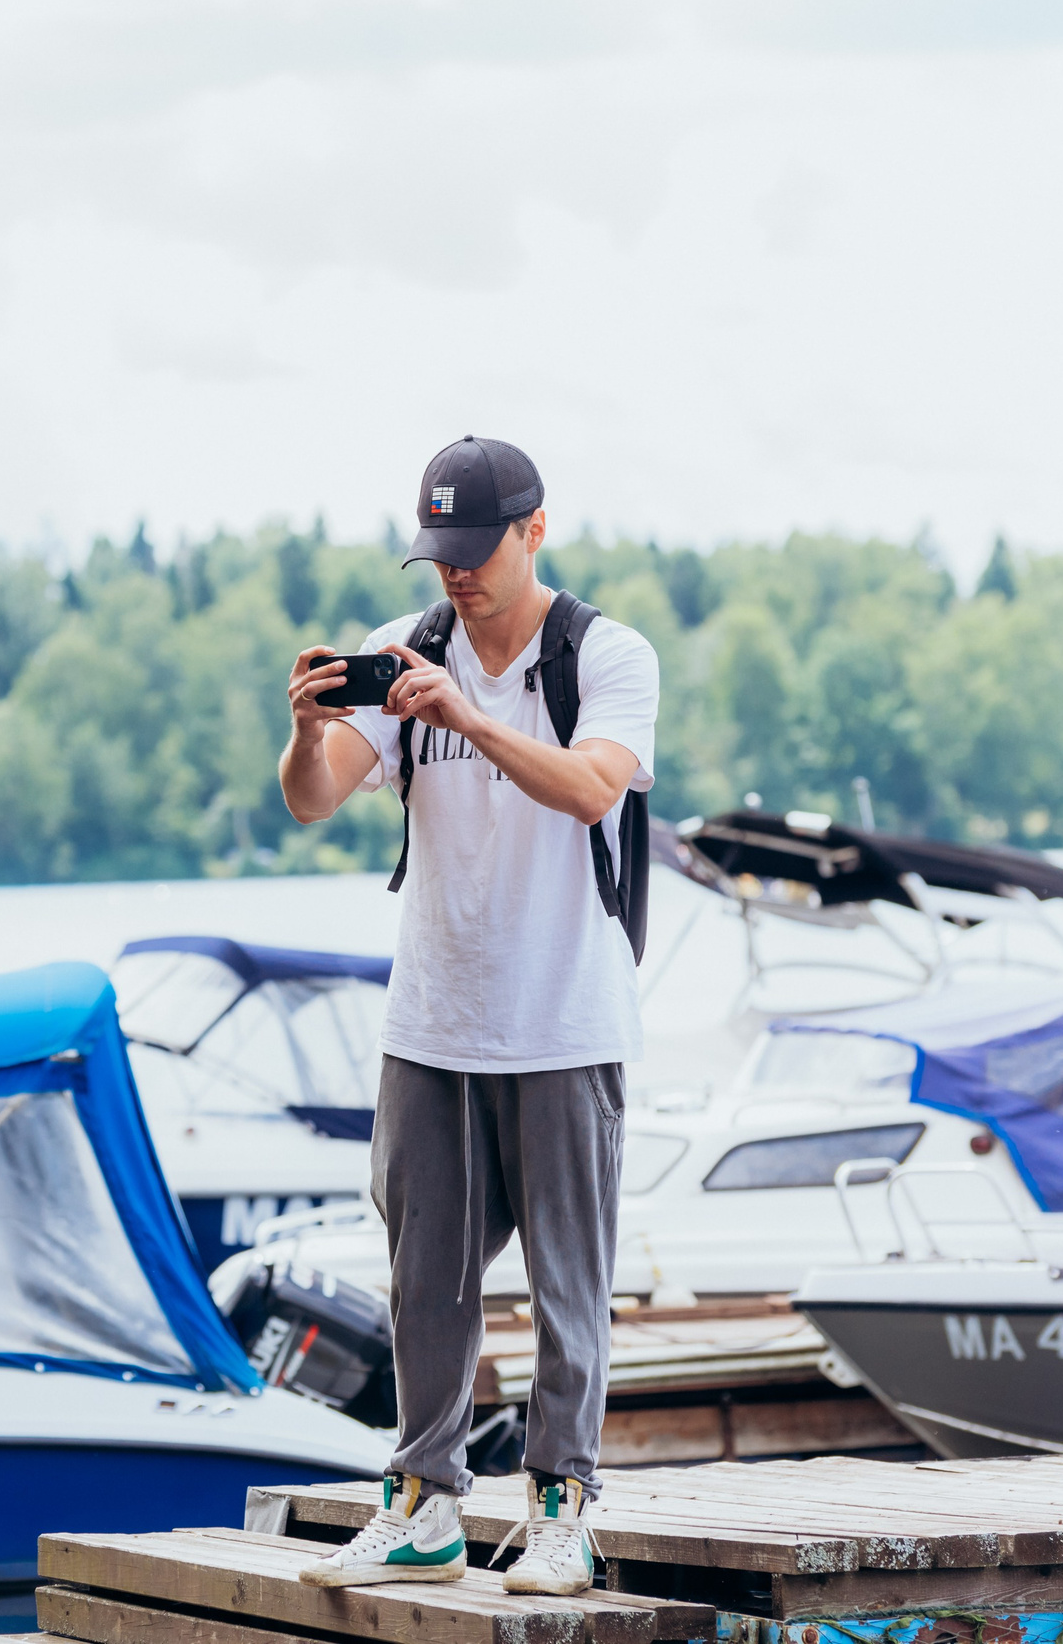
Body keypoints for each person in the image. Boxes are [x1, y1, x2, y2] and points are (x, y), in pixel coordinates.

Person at [277, 436, 658, 1596]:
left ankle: (559, 1508)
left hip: (563, 1020)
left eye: (474, 549)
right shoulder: (408, 660)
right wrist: (305, 725)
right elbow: (311, 798)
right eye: (436, 553)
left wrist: (471, 716)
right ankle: (424, 1503)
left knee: (565, 1280)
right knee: (422, 1272)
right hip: (432, 1021)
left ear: (532, 532)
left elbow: (592, 785)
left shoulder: (605, 653)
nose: (454, 574)